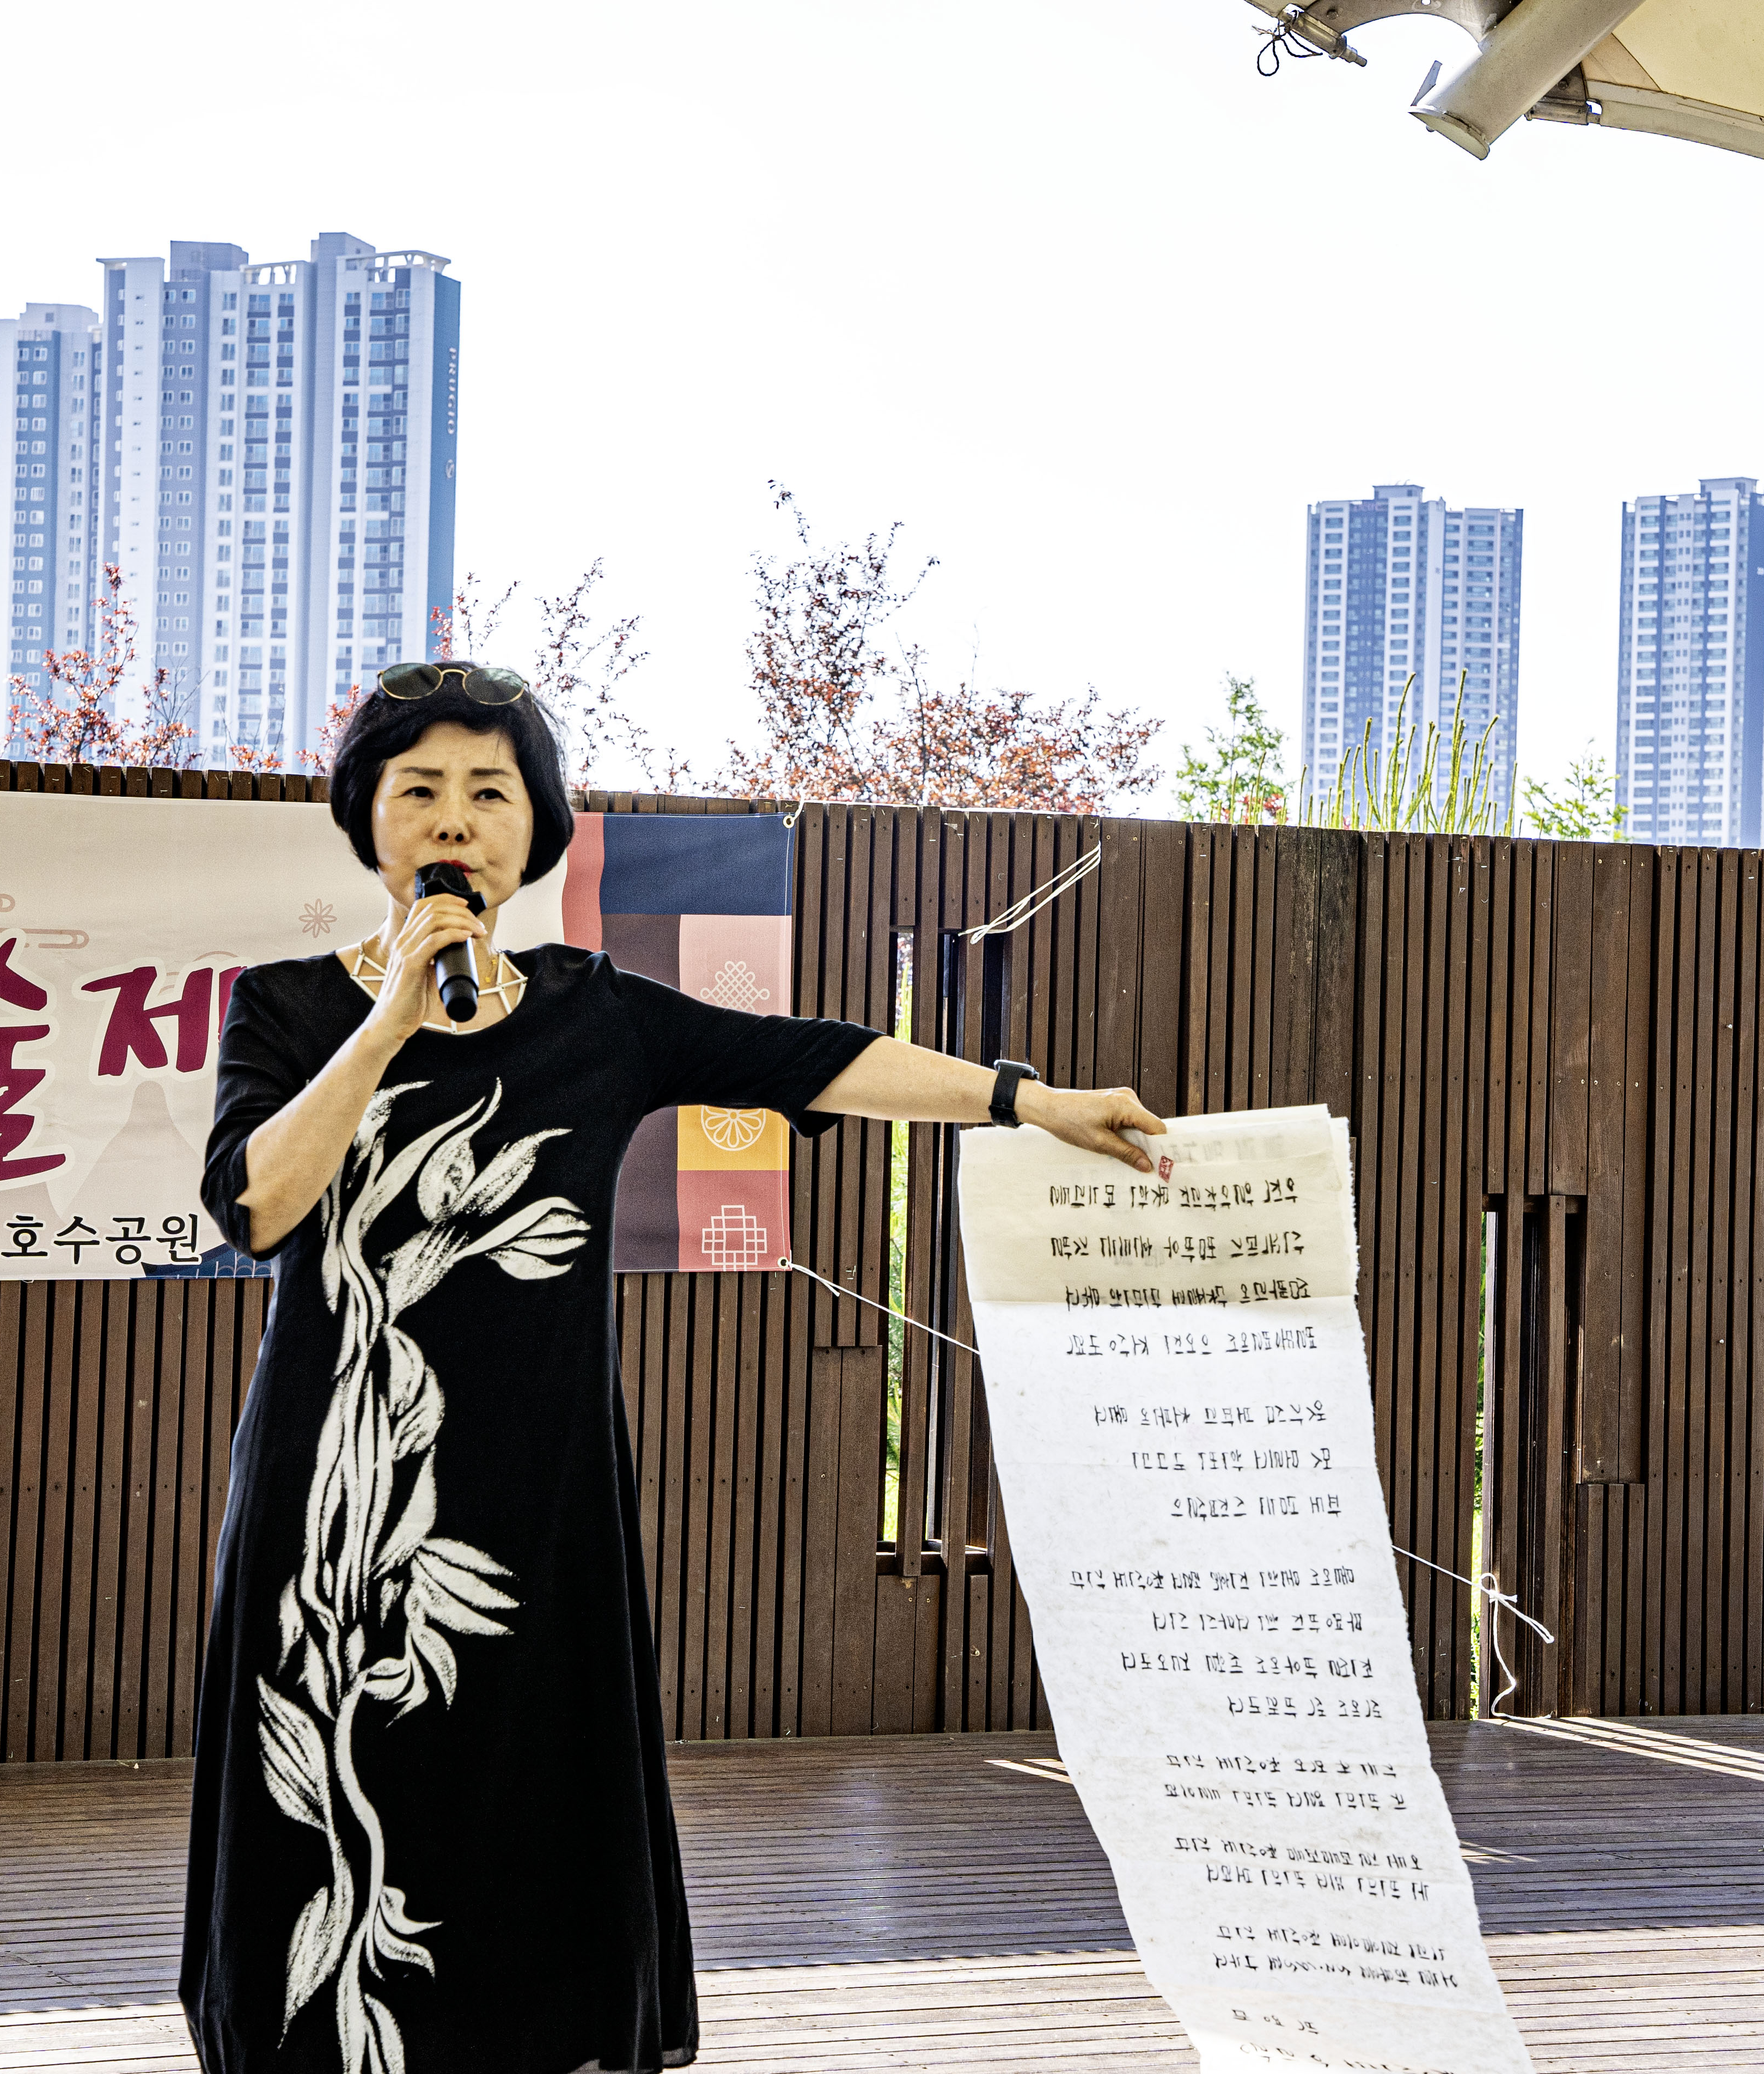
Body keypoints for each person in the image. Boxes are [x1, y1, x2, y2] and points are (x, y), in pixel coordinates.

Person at [178, 661, 1163, 2074]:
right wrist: (388, 1016)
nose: (454, 818)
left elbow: (815, 1060)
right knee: (337, 1775)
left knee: (527, 1787)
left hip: (540, 1493)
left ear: (537, 826)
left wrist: (1030, 1101)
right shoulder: (281, 1007)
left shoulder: (596, 1015)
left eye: (489, 790)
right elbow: (257, 1206)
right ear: (366, 818)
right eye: (419, 789)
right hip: (338, 1489)